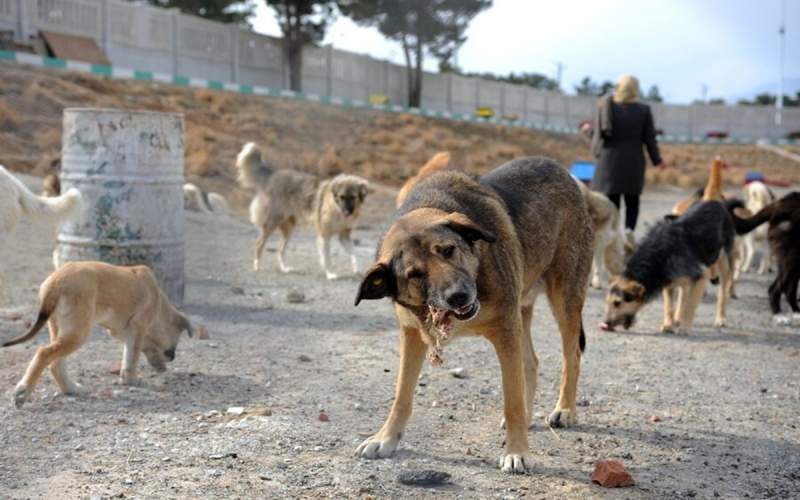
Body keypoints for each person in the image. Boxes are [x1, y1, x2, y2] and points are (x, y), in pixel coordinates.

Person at [591, 74, 665, 245]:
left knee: (612, 202)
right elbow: (650, 139)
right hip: (633, 162)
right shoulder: (644, 110)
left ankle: (614, 234)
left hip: (609, 162)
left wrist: (588, 130)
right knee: (632, 201)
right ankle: (629, 230)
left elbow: (599, 135)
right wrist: (657, 160)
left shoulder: (606, 106)